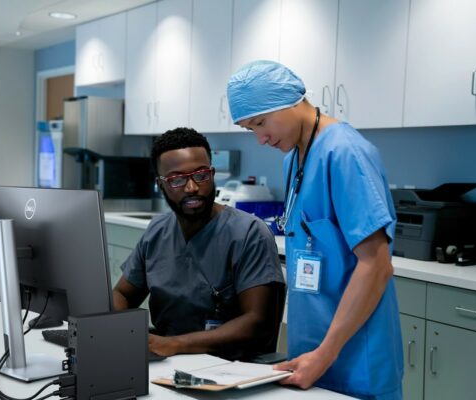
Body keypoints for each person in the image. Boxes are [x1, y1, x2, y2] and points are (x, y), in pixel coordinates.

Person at [226, 60, 403, 399]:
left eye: (261, 122)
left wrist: (326, 353)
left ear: (292, 100)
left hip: (354, 356)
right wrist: (315, 356)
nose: (260, 139)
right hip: (310, 353)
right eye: (251, 129)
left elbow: (376, 264)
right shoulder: (293, 157)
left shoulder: (345, 153)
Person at [112, 127, 285, 360]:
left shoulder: (248, 233)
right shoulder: (157, 231)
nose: (192, 187)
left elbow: (256, 322)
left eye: (201, 175)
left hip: (230, 365)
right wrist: (121, 332)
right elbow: (122, 293)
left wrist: (173, 344)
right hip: (167, 361)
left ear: (212, 174)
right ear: (160, 184)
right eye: (177, 179)